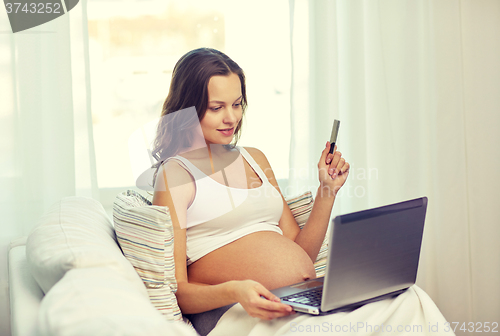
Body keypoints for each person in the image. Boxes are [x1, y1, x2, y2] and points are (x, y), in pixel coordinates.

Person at [151, 48, 350, 336]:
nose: (231, 118)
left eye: (237, 104)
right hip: (235, 310)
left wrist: (327, 190)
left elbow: (301, 254)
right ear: (188, 108)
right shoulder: (176, 175)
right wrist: (236, 291)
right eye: (216, 107)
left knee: (406, 300)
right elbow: (180, 292)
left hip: (298, 300)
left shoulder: (255, 158)